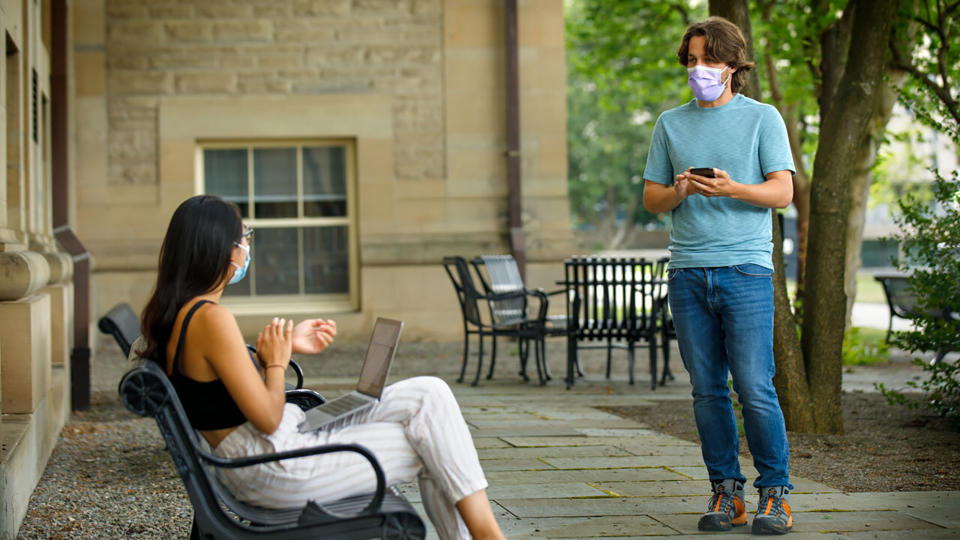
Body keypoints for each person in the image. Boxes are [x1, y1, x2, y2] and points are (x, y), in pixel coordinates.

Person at [140, 195, 506, 540]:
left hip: (267, 451)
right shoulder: (211, 318)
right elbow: (267, 417)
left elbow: (214, 388)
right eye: (244, 237)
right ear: (220, 248)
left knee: (430, 393)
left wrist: (285, 345)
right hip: (274, 466)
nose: (247, 246)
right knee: (431, 441)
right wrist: (278, 362)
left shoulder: (186, 315)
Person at [641, 17, 795, 536]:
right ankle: (726, 495)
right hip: (687, 273)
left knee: (754, 386)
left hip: (746, 270)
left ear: (732, 64)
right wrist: (682, 190)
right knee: (707, 391)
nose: (698, 69)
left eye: (708, 60)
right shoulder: (670, 124)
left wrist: (731, 188)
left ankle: (776, 496)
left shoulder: (763, 118)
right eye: (691, 60)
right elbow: (652, 198)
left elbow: (782, 193)